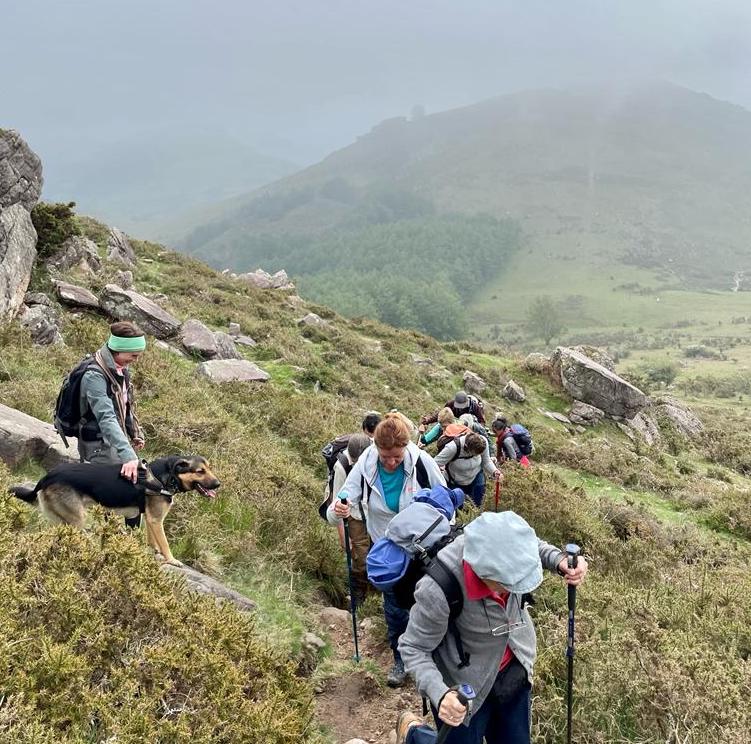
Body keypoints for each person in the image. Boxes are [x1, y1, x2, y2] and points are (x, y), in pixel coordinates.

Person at [396, 511, 589, 744]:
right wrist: (440, 693)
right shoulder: (438, 588)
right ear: (482, 572)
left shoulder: (502, 541)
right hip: (462, 689)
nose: (515, 588)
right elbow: (413, 648)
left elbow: (530, 546)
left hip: (514, 671)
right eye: (508, 583)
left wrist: (558, 560)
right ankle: (414, 733)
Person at [328, 413, 446, 687]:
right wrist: (340, 509)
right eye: (386, 457)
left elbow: (445, 503)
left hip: (424, 549)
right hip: (389, 551)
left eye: (397, 457)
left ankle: (434, 655)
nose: (392, 462)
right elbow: (337, 508)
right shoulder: (365, 466)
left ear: (406, 448)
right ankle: (401, 659)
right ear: (376, 449)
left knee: (430, 602)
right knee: (394, 608)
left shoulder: (422, 463)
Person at [78, 321, 146, 527]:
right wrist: (129, 456)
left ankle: (127, 543)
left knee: (130, 490)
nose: (136, 359)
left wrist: (134, 431)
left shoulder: (120, 368)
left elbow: (124, 403)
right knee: (109, 497)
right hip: (98, 445)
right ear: (118, 350)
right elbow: (106, 417)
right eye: (133, 355)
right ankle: (112, 545)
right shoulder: (94, 376)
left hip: (115, 440)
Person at [331, 433, 373, 604]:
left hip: (377, 513)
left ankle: (378, 588)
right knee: (360, 556)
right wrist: (343, 535)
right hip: (354, 515)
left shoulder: (378, 457)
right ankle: (358, 593)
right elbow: (337, 503)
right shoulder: (341, 466)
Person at [434, 432, 501, 508]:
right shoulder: (452, 448)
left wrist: (494, 471)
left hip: (476, 477)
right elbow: (434, 464)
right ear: (466, 448)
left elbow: (486, 461)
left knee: (478, 504)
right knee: (459, 507)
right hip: (456, 481)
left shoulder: (483, 442)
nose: (477, 456)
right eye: (475, 454)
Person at [420, 391, 486, 429]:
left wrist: (474, 428)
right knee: (439, 426)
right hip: (455, 424)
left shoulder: (475, 407)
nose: (460, 408)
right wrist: (428, 421)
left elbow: (482, 422)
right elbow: (442, 415)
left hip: (469, 427)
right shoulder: (451, 404)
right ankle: (424, 441)